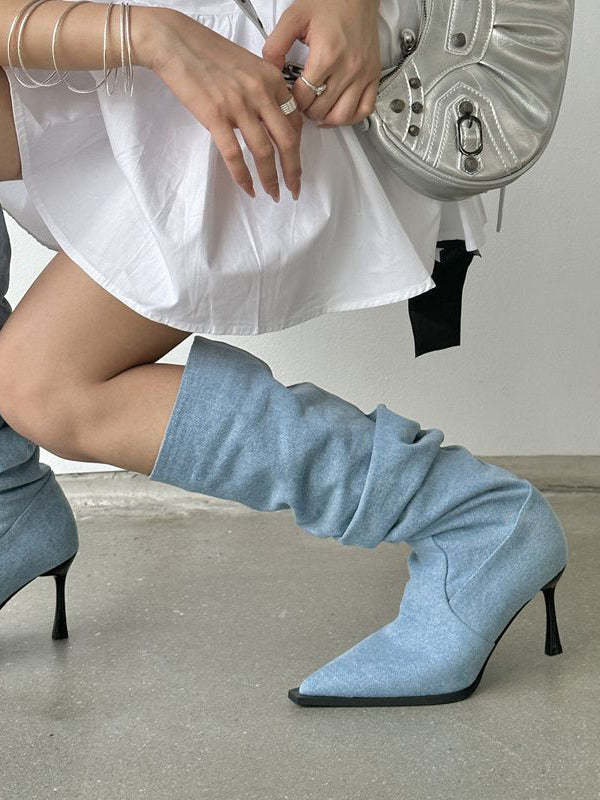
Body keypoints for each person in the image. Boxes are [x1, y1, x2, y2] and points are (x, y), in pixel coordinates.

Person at [0, 0, 567, 706]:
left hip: (282, 40)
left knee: (43, 386)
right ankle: (6, 503)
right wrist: (148, 34)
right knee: (38, 385)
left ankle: (471, 519)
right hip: (127, 28)